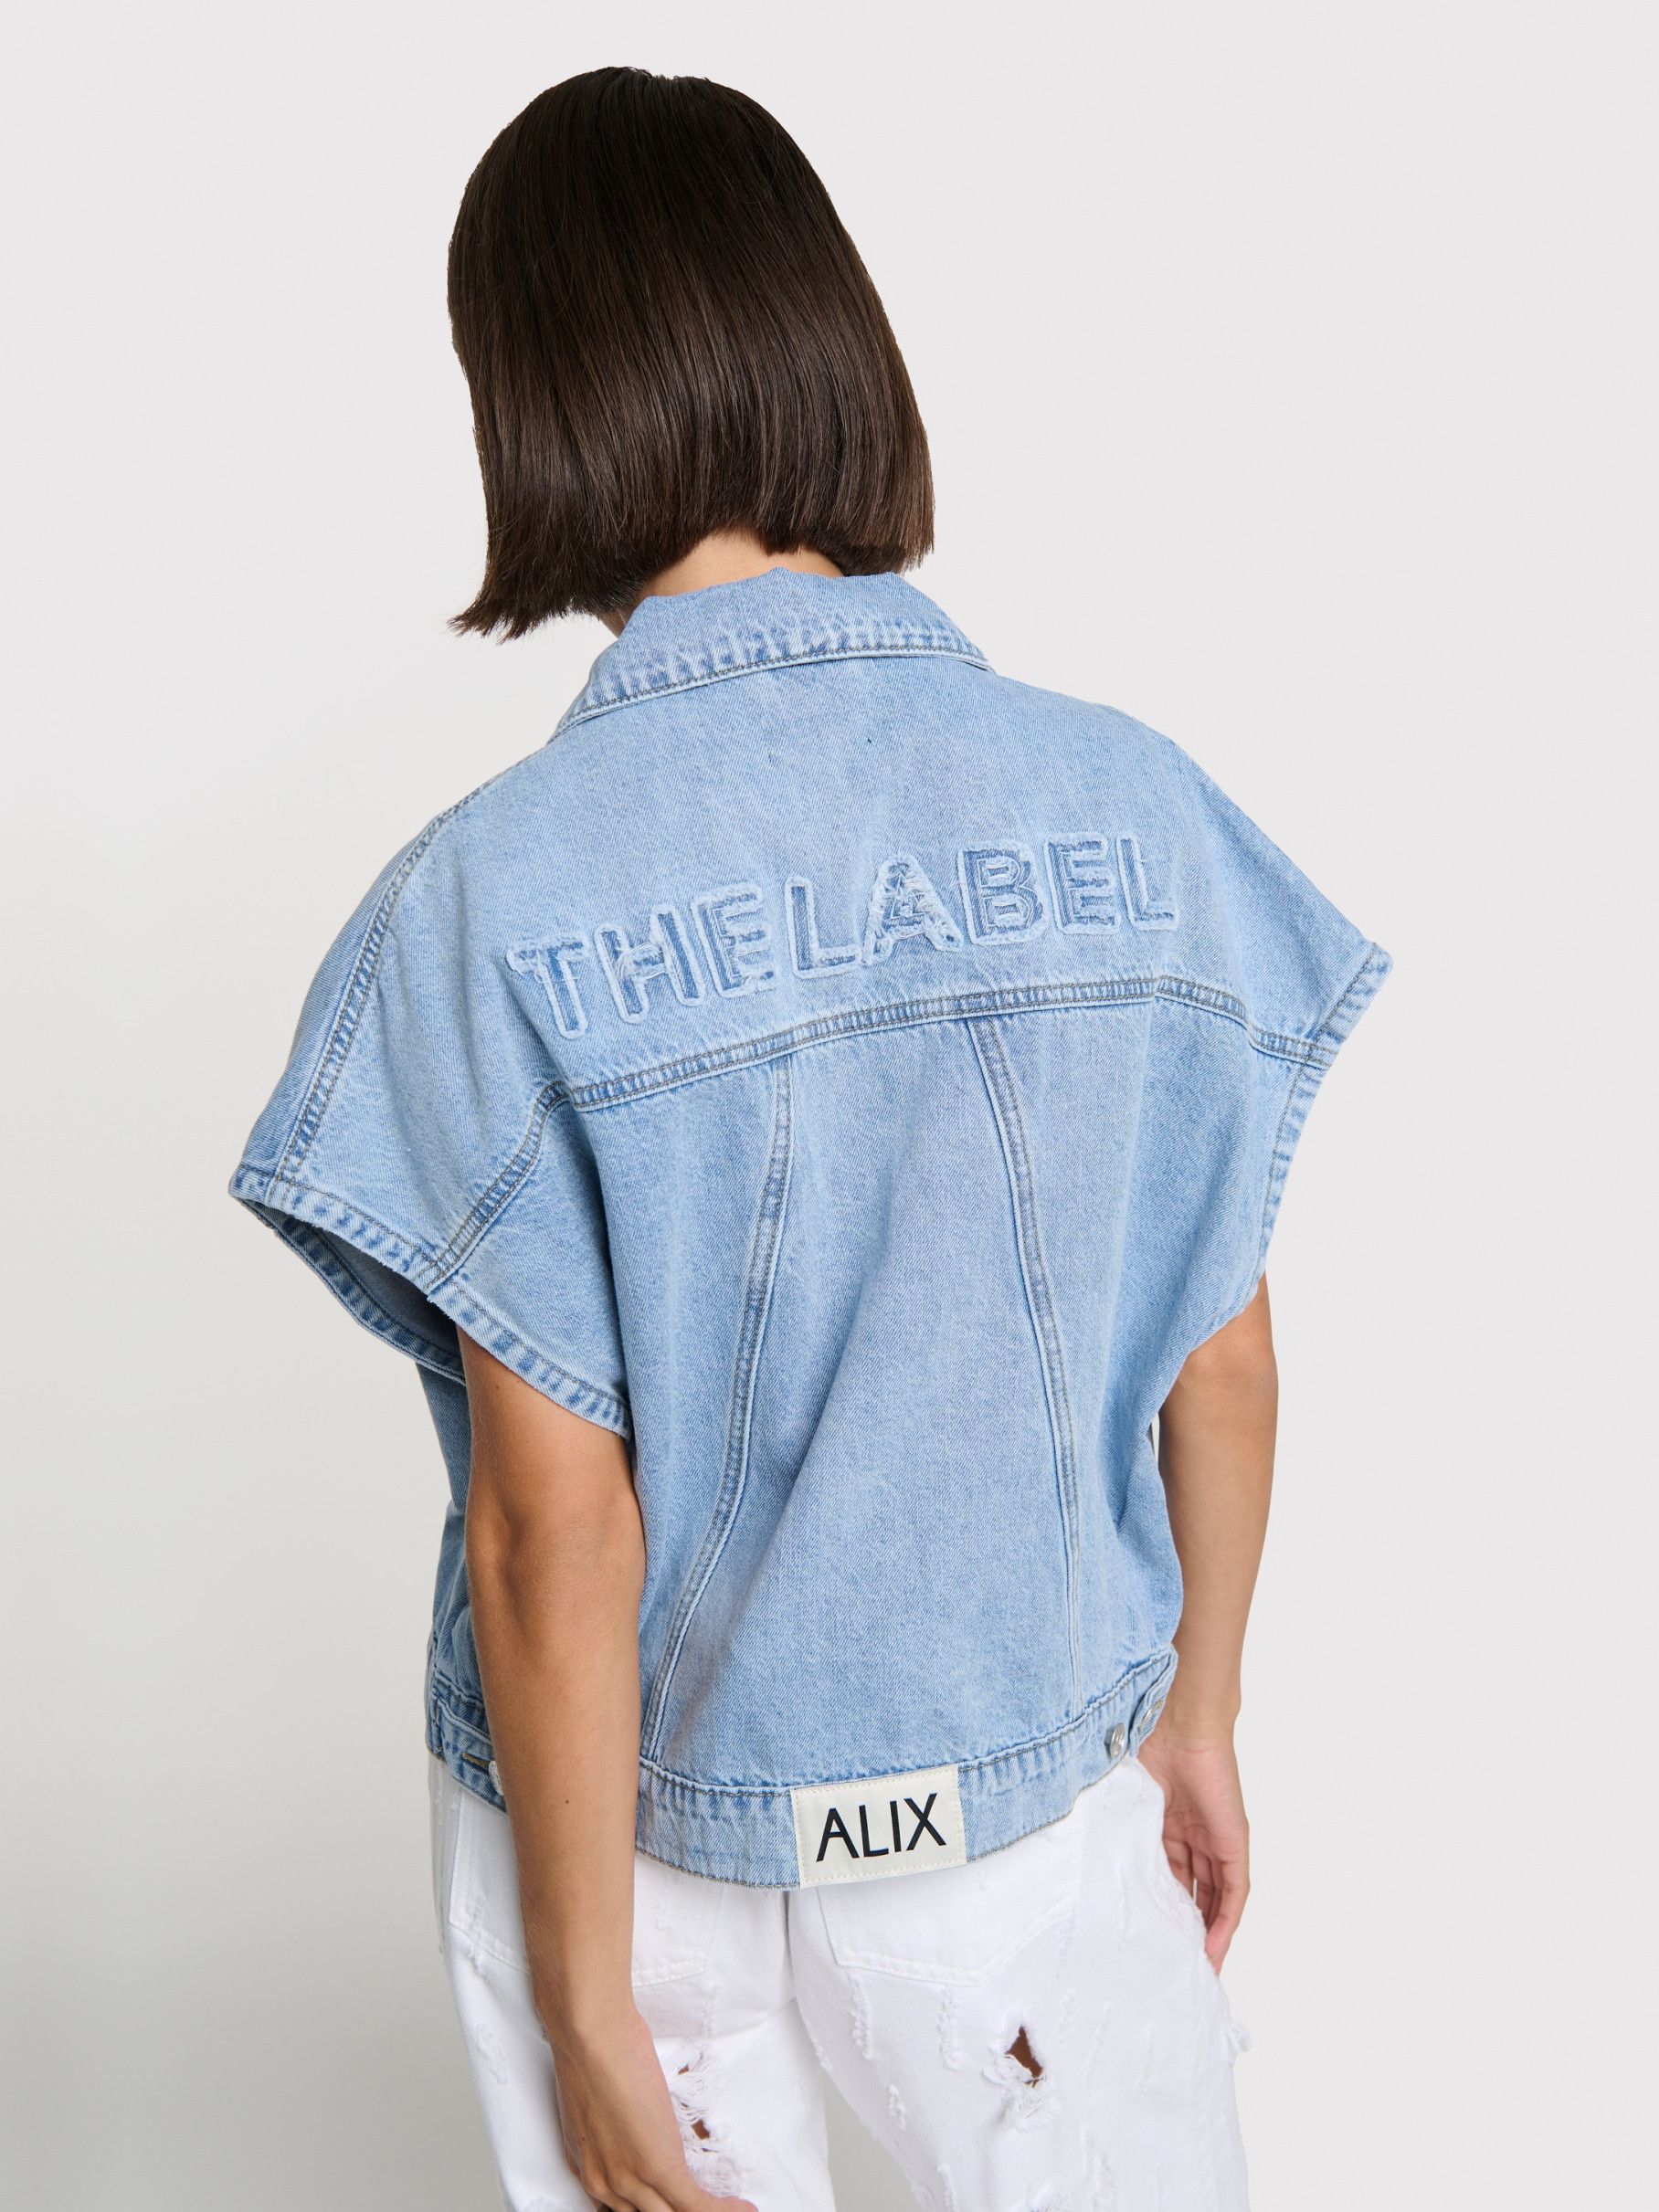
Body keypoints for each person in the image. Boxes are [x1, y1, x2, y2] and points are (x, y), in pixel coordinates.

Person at [231, 66, 1389, 2212]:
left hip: (628, 1844)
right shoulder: (1130, 808)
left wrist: (588, 2004)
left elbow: (550, 1530)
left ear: (532, 398)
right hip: (1012, 1815)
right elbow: (1214, 1358)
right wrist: (1197, 1715)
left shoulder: (487, 895)